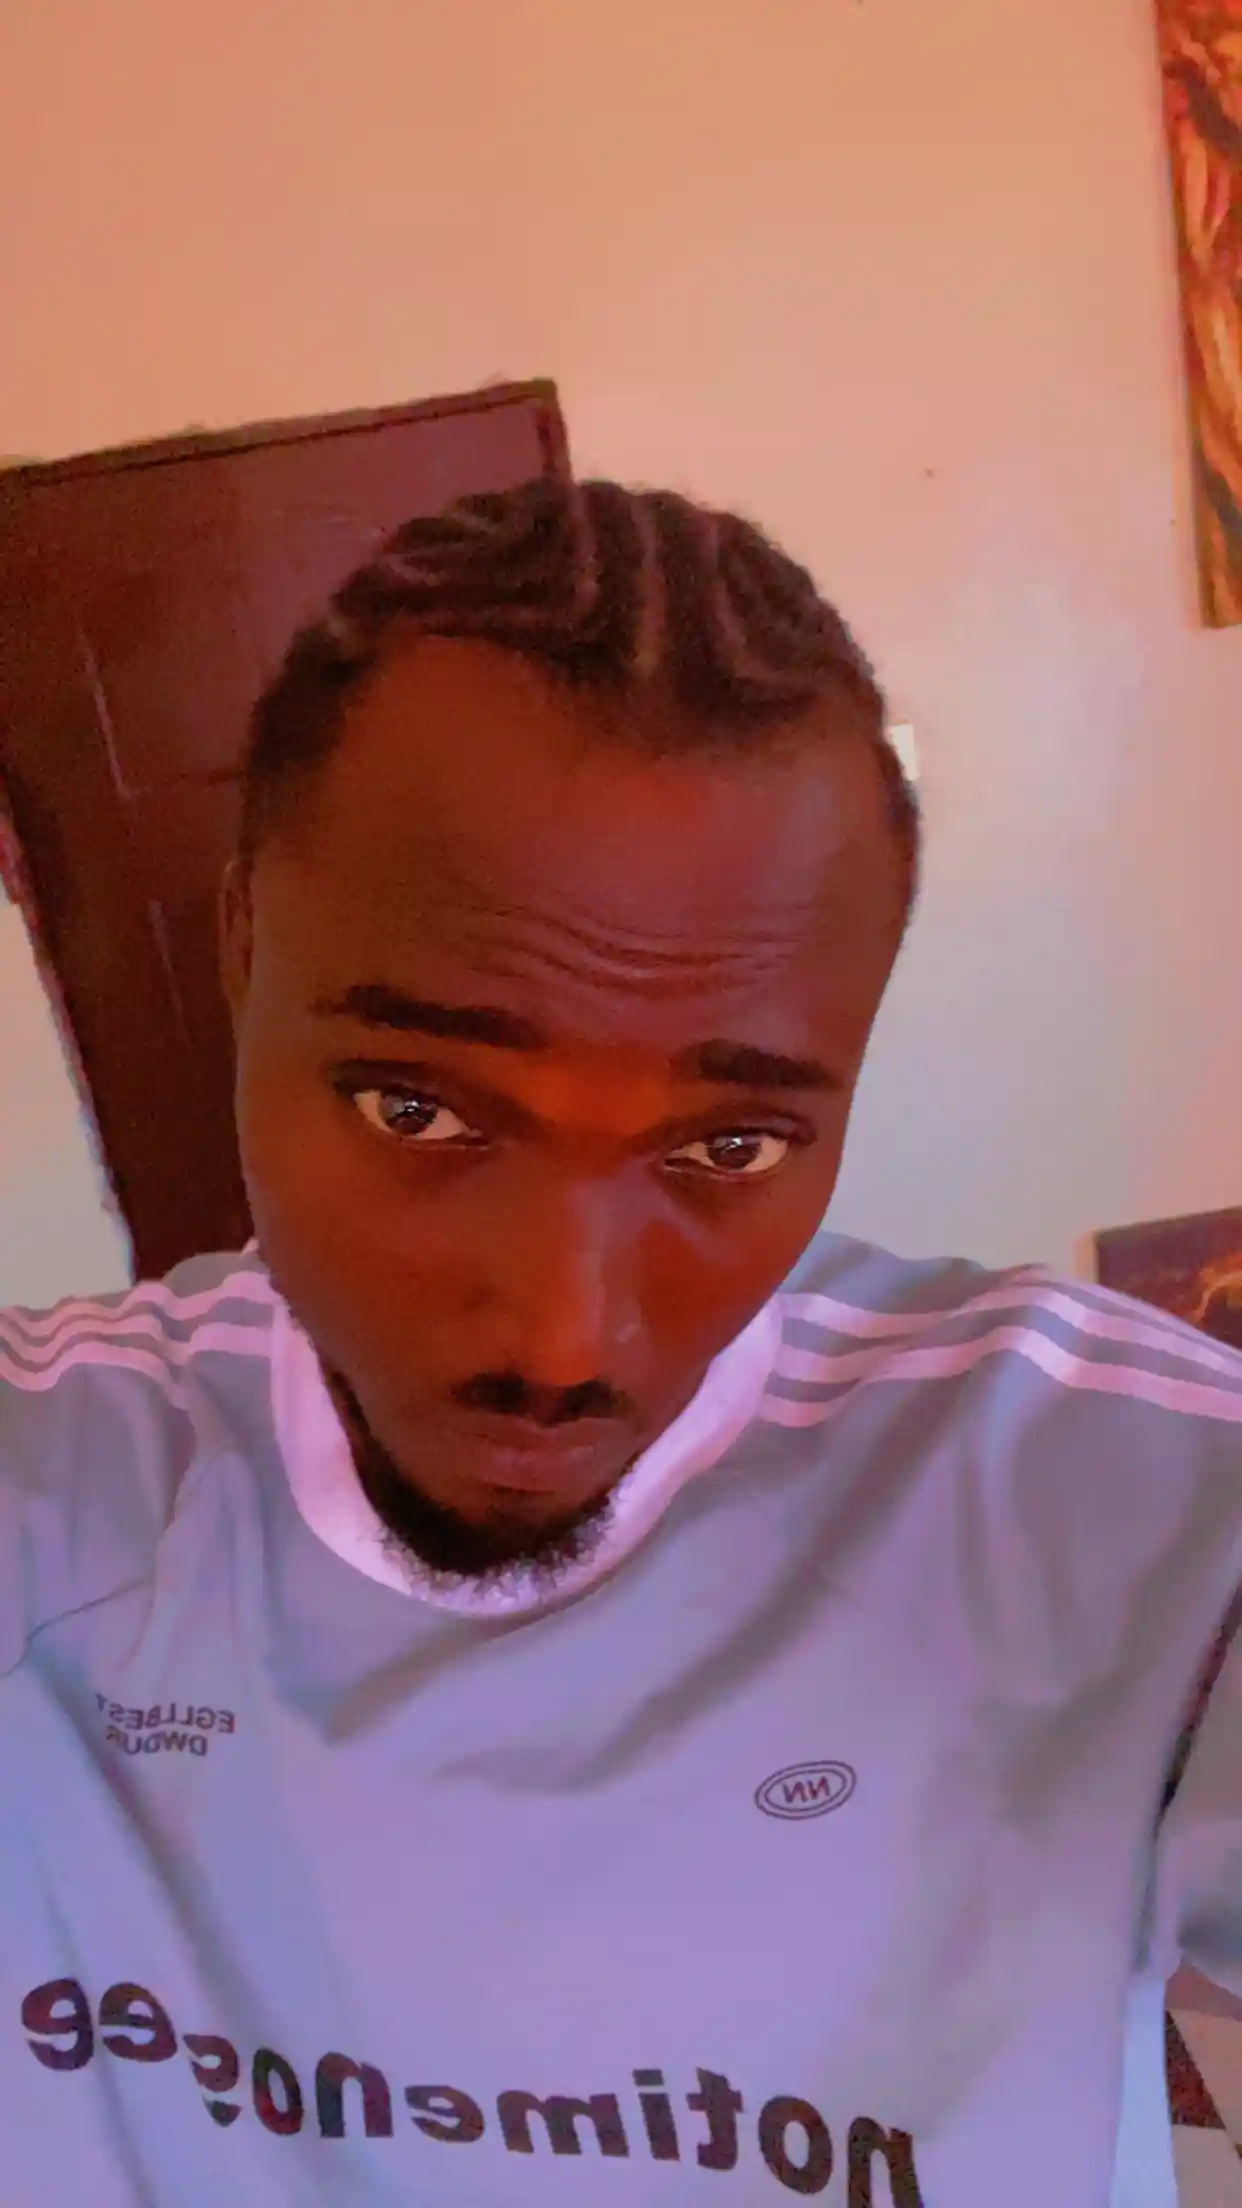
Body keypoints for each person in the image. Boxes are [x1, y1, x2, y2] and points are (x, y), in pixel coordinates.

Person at [0, 476, 1239, 2208]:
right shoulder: (54, 1497)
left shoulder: (1113, 1513)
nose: (561, 1336)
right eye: (417, 1109)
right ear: (241, 950)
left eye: (725, 1147)